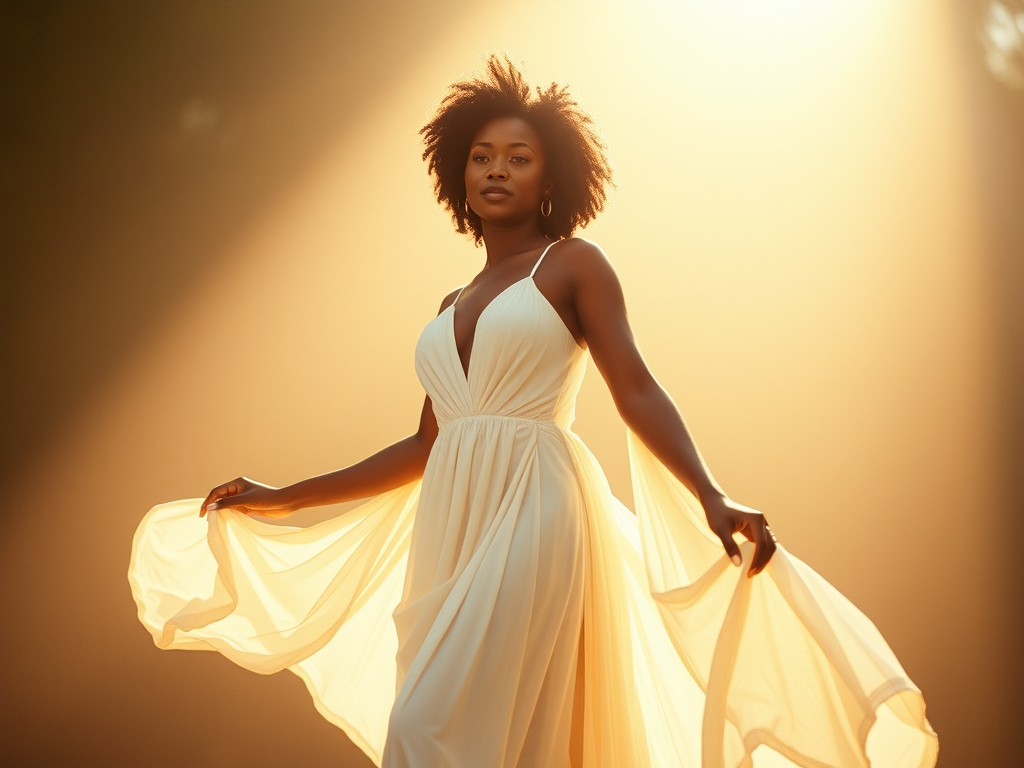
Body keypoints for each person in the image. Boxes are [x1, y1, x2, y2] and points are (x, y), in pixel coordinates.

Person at [129, 57, 938, 768]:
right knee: (488, 738)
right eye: (481, 157)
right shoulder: (451, 302)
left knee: (425, 729)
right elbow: (424, 445)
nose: (497, 170)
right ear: (458, 174)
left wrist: (709, 493)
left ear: (550, 180)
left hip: (536, 509)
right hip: (451, 525)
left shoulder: (573, 266)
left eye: (519, 158)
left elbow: (639, 389)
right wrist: (285, 497)